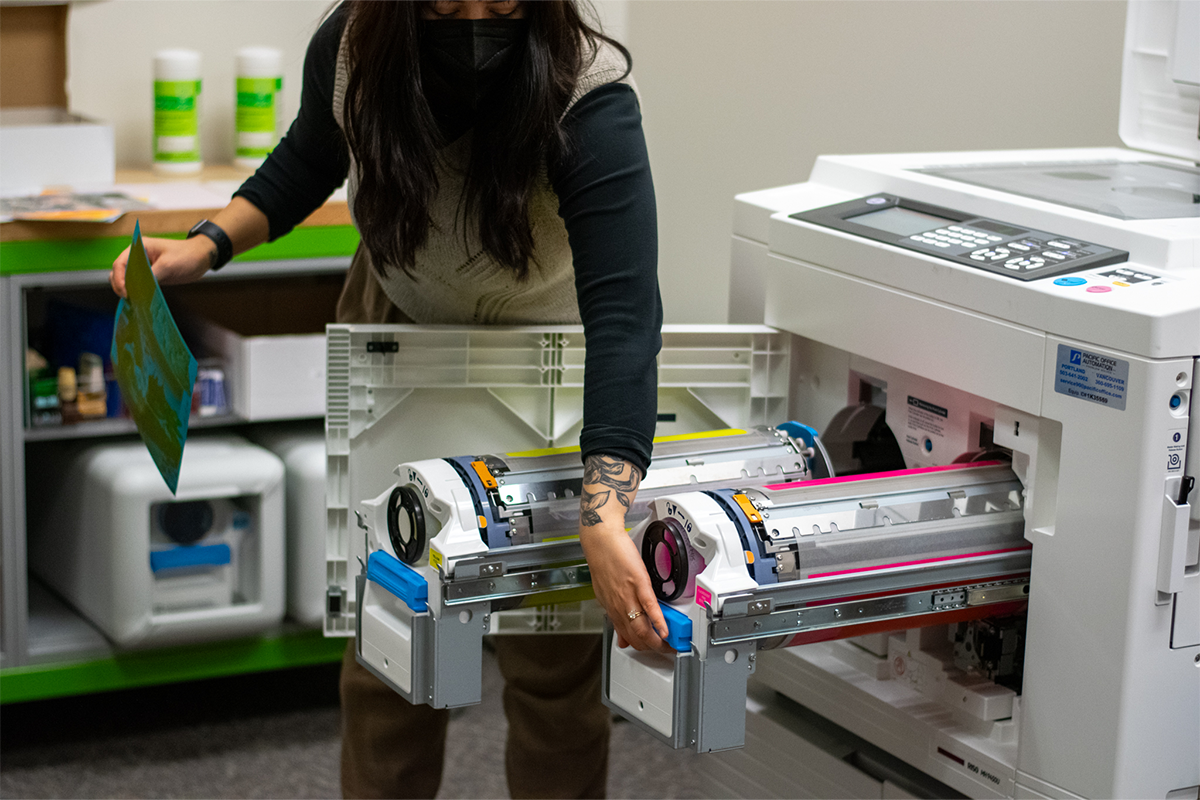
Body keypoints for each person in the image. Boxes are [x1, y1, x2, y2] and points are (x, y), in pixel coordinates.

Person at [110, 1, 671, 797]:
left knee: (551, 654)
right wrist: (210, 243)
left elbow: (623, 314)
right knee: (392, 637)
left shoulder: (589, 92)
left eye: (502, 3)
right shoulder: (353, 44)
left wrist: (604, 513)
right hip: (399, 323)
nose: (474, 21)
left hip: (542, 354)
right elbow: (312, 153)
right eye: (444, 3)